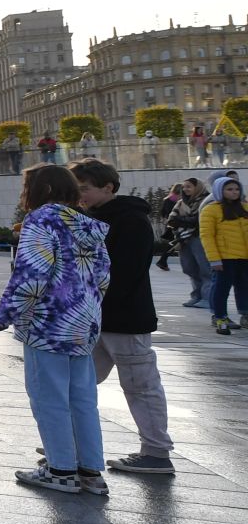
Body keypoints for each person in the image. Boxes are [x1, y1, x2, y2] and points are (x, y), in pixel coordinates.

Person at [0, 164, 111, 495]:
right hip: (83, 323)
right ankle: (90, 471)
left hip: (49, 323)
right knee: (83, 398)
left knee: (49, 397)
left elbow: (33, 274)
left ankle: (60, 470)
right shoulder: (87, 223)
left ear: (39, 190)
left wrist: (3, 315)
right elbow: (103, 276)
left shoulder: (42, 221)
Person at [72, 160, 176, 475]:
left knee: (140, 386)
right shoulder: (90, 218)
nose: (81, 195)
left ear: (108, 187)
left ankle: (156, 452)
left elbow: (126, 273)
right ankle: (73, 445)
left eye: (85, 188)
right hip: (97, 320)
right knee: (78, 382)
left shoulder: (131, 221)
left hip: (126, 320)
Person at [201, 174, 248, 335]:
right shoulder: (210, 210)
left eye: (236, 189)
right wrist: (214, 259)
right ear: (220, 191)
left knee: (244, 287)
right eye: (229, 189)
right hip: (224, 257)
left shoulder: (245, 208)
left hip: (244, 257)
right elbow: (207, 236)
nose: (234, 192)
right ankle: (220, 317)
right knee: (222, 289)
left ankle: (245, 314)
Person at [166, 179, 211, 307]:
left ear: (197, 188)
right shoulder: (181, 203)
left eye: (189, 187)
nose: (185, 189)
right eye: (184, 187)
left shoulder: (206, 201)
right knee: (189, 268)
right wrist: (186, 221)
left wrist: (182, 220)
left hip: (199, 237)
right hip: (184, 239)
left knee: (205, 269)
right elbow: (172, 220)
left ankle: (207, 298)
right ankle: (196, 296)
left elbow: (198, 221)